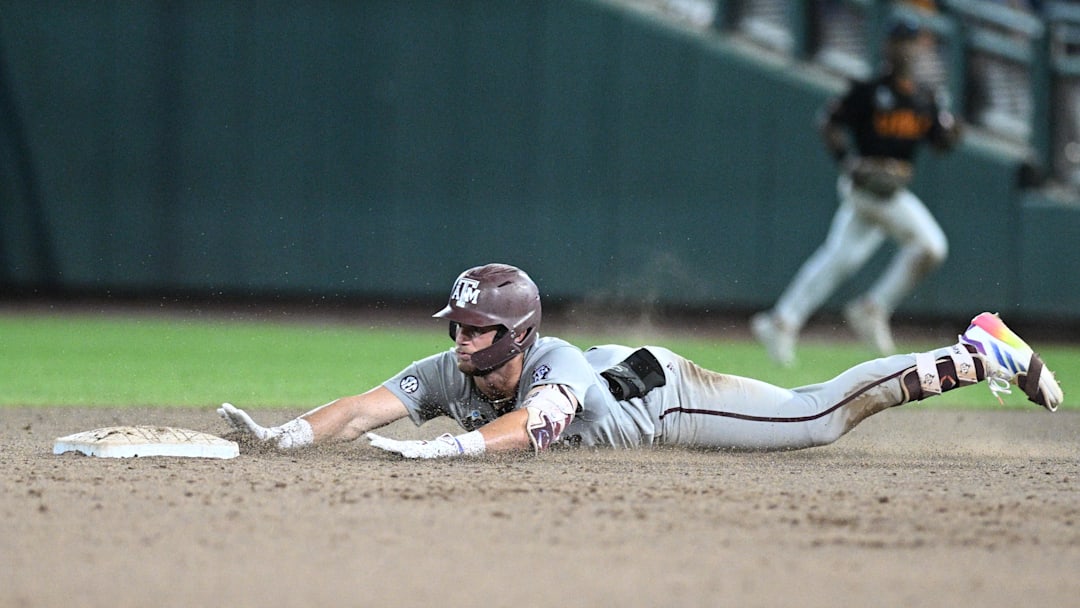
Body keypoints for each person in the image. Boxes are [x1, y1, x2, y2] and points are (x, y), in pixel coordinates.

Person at [218, 263, 1062, 458]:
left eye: (476, 329)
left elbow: (537, 423)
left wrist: (453, 449)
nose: (460, 340)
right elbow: (365, 407)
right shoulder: (456, 372)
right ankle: (969, 350)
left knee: (816, 418)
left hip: (662, 395)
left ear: (513, 334)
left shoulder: (550, 367)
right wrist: (283, 437)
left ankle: (971, 351)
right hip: (619, 372)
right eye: (459, 327)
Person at [751, 16, 961, 367]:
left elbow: (942, 143)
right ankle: (873, 308)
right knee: (931, 246)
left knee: (839, 259)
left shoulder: (925, 97)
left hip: (890, 188)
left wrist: (951, 126)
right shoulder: (868, 89)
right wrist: (847, 161)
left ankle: (781, 320)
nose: (906, 48)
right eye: (900, 40)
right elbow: (828, 122)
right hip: (867, 187)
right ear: (888, 46)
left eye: (912, 41)